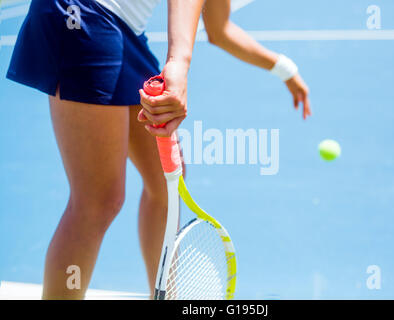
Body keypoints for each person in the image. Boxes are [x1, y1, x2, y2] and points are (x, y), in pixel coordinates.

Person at [6, 0, 309, 300]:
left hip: (124, 31)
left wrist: (284, 69)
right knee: (97, 201)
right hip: (83, 13)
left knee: (165, 184)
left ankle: (164, 296)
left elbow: (220, 29)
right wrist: (178, 63)